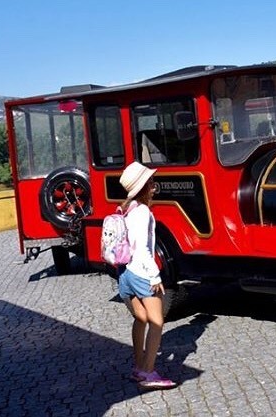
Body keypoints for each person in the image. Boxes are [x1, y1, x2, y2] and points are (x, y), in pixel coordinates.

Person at [117, 161, 176, 390]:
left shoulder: (128, 208)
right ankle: (148, 372)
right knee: (157, 321)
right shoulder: (142, 212)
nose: (154, 187)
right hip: (141, 272)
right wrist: (155, 277)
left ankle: (138, 365)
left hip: (125, 272)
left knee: (140, 318)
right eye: (151, 183)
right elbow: (142, 249)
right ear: (143, 187)